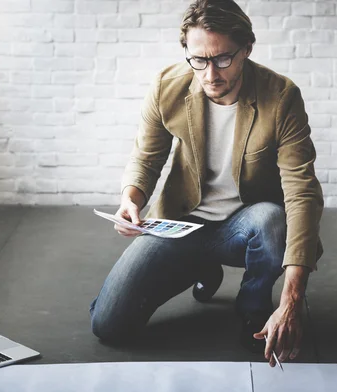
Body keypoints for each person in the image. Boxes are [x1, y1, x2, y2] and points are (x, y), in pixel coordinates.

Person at [89, 0, 323, 367]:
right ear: (187, 53)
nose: (210, 73)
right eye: (198, 60)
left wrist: (291, 300)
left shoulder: (280, 97)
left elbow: (302, 191)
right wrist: (131, 199)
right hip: (181, 224)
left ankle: (253, 308)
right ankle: (202, 266)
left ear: (246, 49)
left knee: (273, 220)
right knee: (108, 325)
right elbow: (147, 157)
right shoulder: (167, 87)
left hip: (245, 225)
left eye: (222, 59)